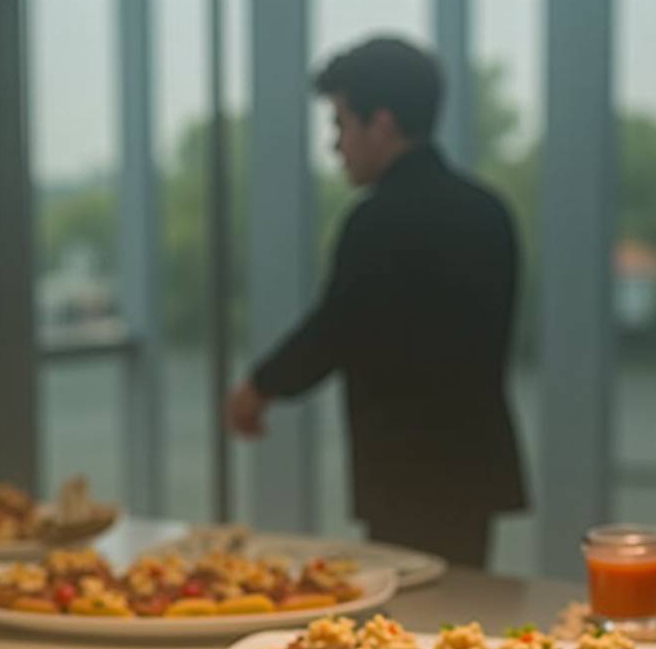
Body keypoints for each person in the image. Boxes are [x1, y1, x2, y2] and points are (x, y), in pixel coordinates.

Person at [223, 37, 525, 569]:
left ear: (380, 124)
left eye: (341, 125)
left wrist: (259, 387)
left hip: (403, 469)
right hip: (476, 467)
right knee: (462, 604)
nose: (336, 146)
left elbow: (336, 329)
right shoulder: (489, 212)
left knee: (407, 614)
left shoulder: (376, 219)